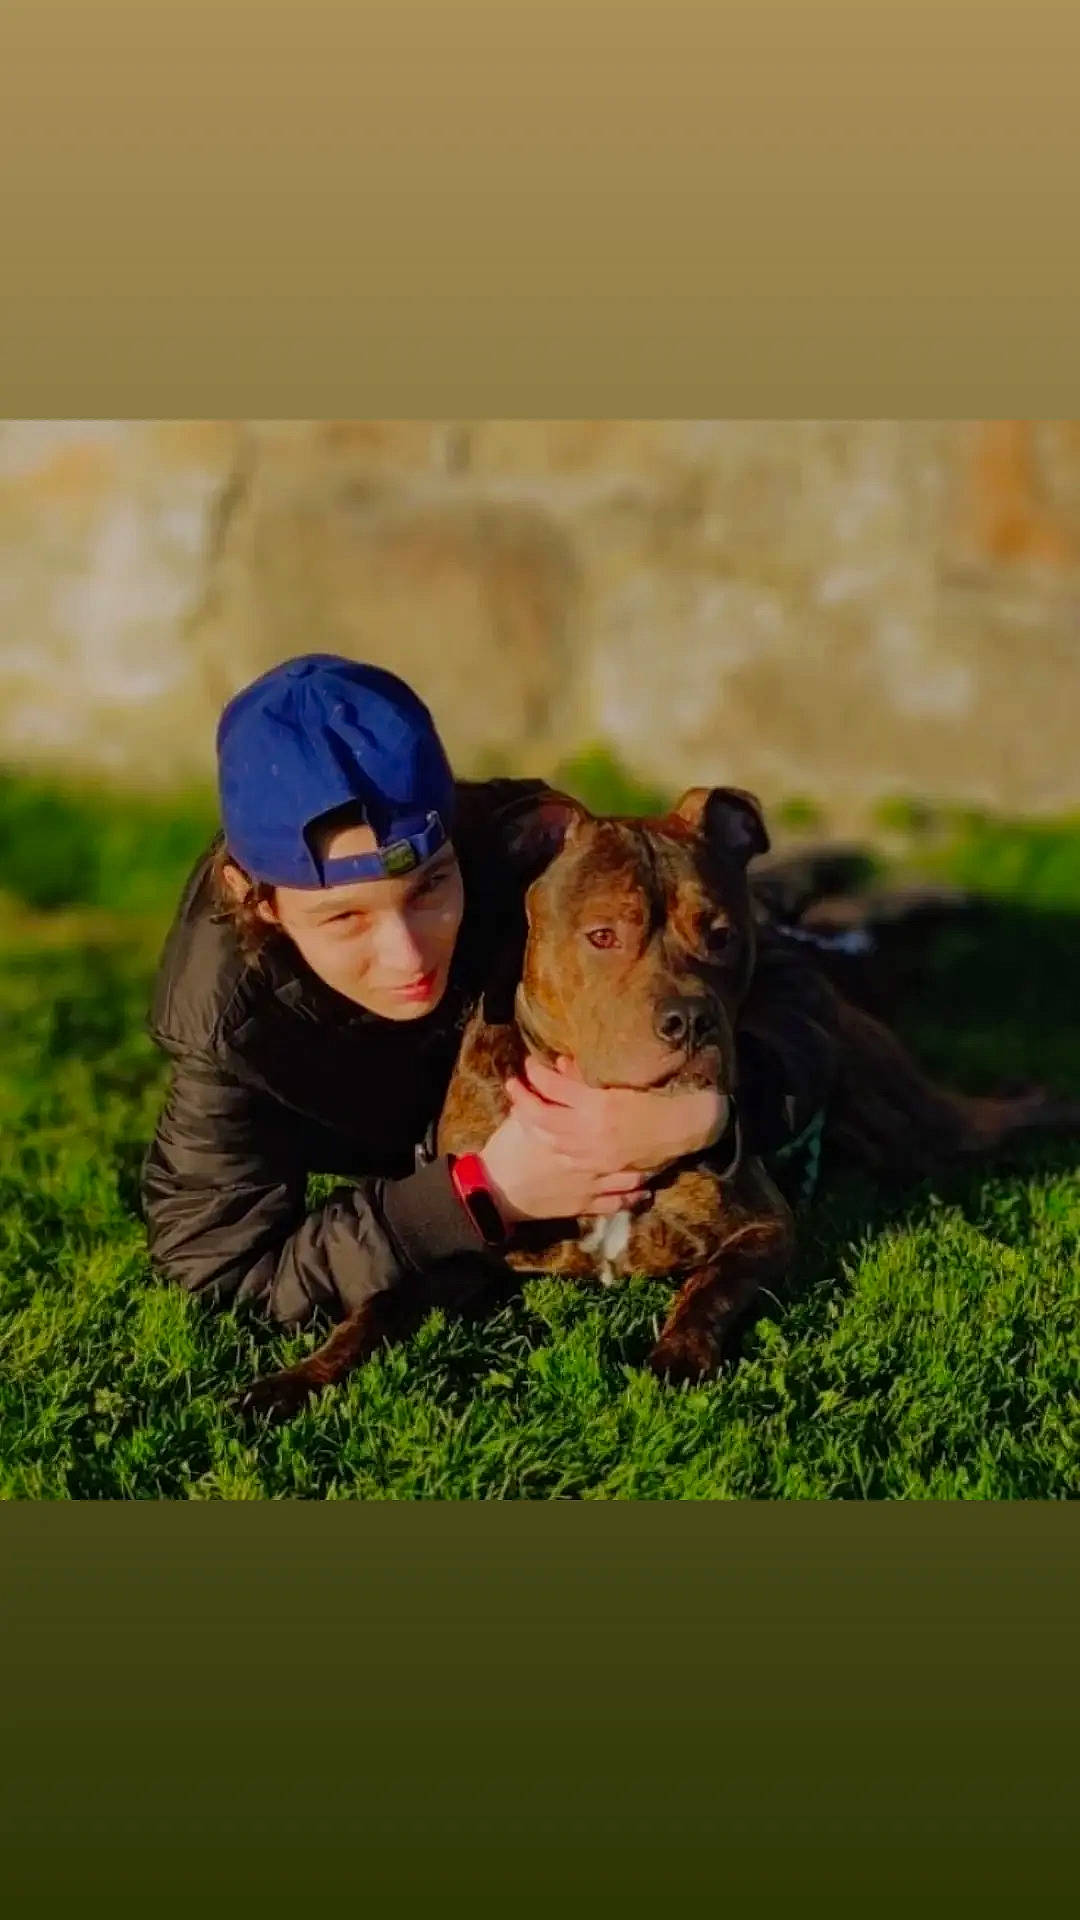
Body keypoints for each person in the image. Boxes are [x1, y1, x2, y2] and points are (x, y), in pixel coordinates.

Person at [140, 654, 735, 1330]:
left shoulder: (524, 852)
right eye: (345, 917)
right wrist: (479, 1196)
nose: (408, 954)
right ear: (257, 900)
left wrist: (705, 1116)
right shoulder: (228, 1024)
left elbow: (768, 982)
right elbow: (222, 1270)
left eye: (430, 888)